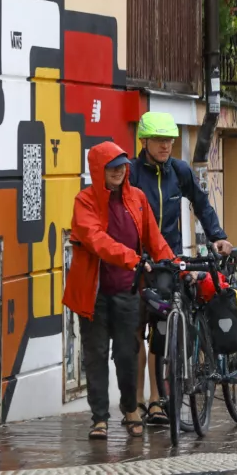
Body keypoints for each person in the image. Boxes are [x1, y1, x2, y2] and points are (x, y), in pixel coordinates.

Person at [62, 141, 176, 441]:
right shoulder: (85, 202)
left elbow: (155, 239)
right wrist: (133, 258)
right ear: (99, 170)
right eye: (112, 167)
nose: (119, 171)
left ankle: (129, 408)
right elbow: (95, 239)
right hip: (92, 294)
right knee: (95, 355)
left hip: (127, 291)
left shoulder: (137, 199)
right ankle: (99, 418)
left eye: (122, 166)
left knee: (128, 354)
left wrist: (173, 264)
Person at [129, 111, 233, 426]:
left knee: (162, 331)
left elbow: (201, 203)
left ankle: (157, 401)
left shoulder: (179, 171)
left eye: (170, 140)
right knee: (136, 333)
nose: (166, 146)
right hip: (136, 262)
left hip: (167, 261)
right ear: (144, 141)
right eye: (160, 140)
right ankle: (134, 402)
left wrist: (218, 236)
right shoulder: (132, 174)